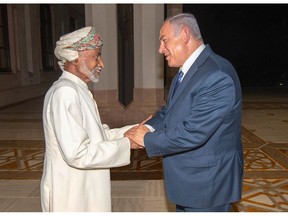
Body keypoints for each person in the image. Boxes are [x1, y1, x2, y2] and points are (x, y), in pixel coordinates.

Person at [125, 13, 243, 212]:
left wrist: (147, 140)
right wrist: (148, 126)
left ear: (185, 35)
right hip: (190, 182)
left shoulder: (216, 74)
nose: (160, 49)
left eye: (164, 40)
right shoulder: (187, 71)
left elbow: (194, 132)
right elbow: (169, 110)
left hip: (207, 186)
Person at [40, 26, 144, 212]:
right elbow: (78, 154)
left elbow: (97, 135)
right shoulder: (65, 93)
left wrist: (129, 132)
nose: (101, 64)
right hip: (72, 195)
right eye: (96, 56)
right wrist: (126, 144)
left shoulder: (77, 89)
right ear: (74, 58)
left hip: (84, 188)